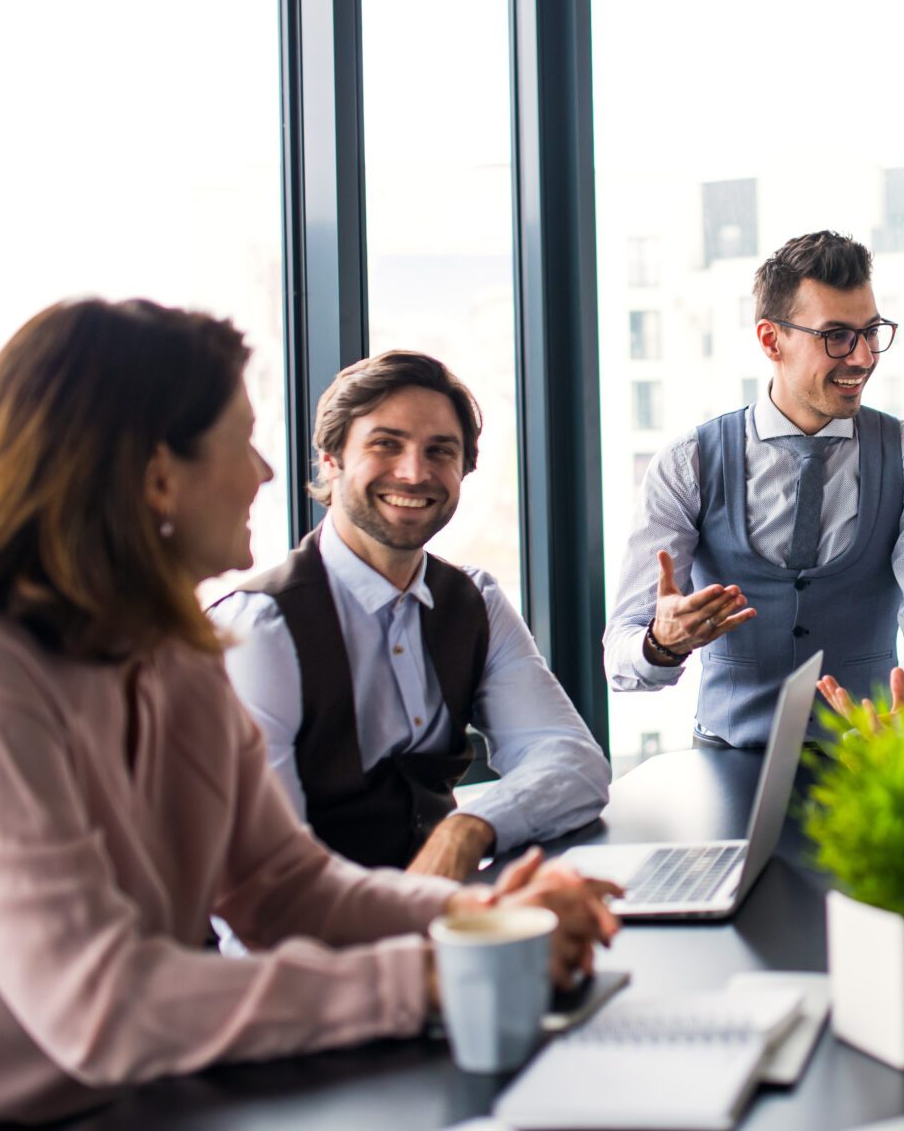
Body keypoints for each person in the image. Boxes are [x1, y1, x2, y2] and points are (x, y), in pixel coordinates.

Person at [0, 300, 619, 1128]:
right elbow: (103, 1005)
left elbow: (280, 884)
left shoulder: (176, 650)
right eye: (239, 440)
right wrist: (437, 974)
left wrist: (477, 919)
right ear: (155, 474)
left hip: (163, 1088)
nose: (265, 472)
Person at [210, 351, 608, 880]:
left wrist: (468, 828)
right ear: (331, 460)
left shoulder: (475, 601)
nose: (415, 472)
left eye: (440, 451)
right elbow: (262, 880)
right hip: (320, 945)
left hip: (447, 920)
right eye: (385, 444)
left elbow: (572, 762)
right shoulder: (261, 628)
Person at [604, 230, 904, 744]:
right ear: (770, 340)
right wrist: (660, 643)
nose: (863, 357)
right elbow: (622, 655)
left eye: (871, 332)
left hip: (868, 767)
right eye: (837, 336)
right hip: (725, 760)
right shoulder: (686, 462)